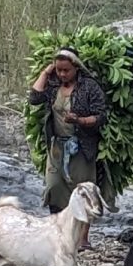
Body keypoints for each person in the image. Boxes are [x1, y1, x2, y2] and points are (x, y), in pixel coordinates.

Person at [29, 47, 108, 250]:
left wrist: (79, 120)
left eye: (66, 70)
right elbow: (34, 98)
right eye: (58, 70)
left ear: (76, 68)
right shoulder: (53, 85)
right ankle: (58, 233)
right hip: (57, 146)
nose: (62, 74)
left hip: (82, 147)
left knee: (83, 191)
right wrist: (46, 73)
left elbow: (101, 117)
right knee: (54, 188)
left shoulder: (89, 87)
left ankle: (82, 238)